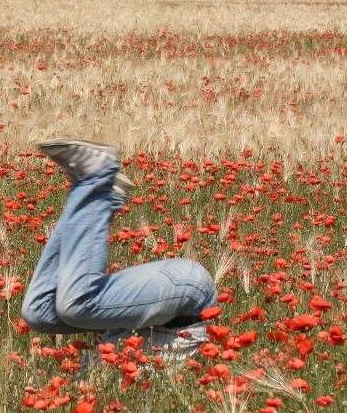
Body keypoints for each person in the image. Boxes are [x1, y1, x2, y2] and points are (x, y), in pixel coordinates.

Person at [21, 139, 212, 364]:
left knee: (38, 312)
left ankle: (101, 193)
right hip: (187, 300)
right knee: (75, 305)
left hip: (167, 297)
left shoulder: (102, 378)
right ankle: (96, 178)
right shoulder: (125, 380)